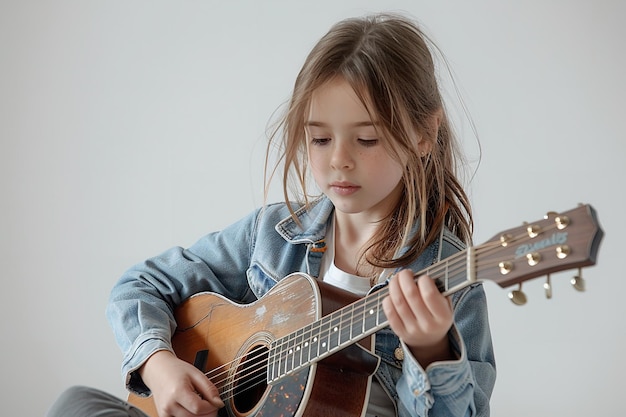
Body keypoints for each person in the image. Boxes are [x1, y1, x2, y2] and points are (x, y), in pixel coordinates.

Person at [47, 12, 495, 417]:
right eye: (320, 140)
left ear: (423, 134)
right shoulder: (274, 235)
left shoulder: (450, 278)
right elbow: (140, 286)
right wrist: (161, 367)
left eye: (366, 140)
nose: (339, 160)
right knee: (76, 404)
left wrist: (432, 350)